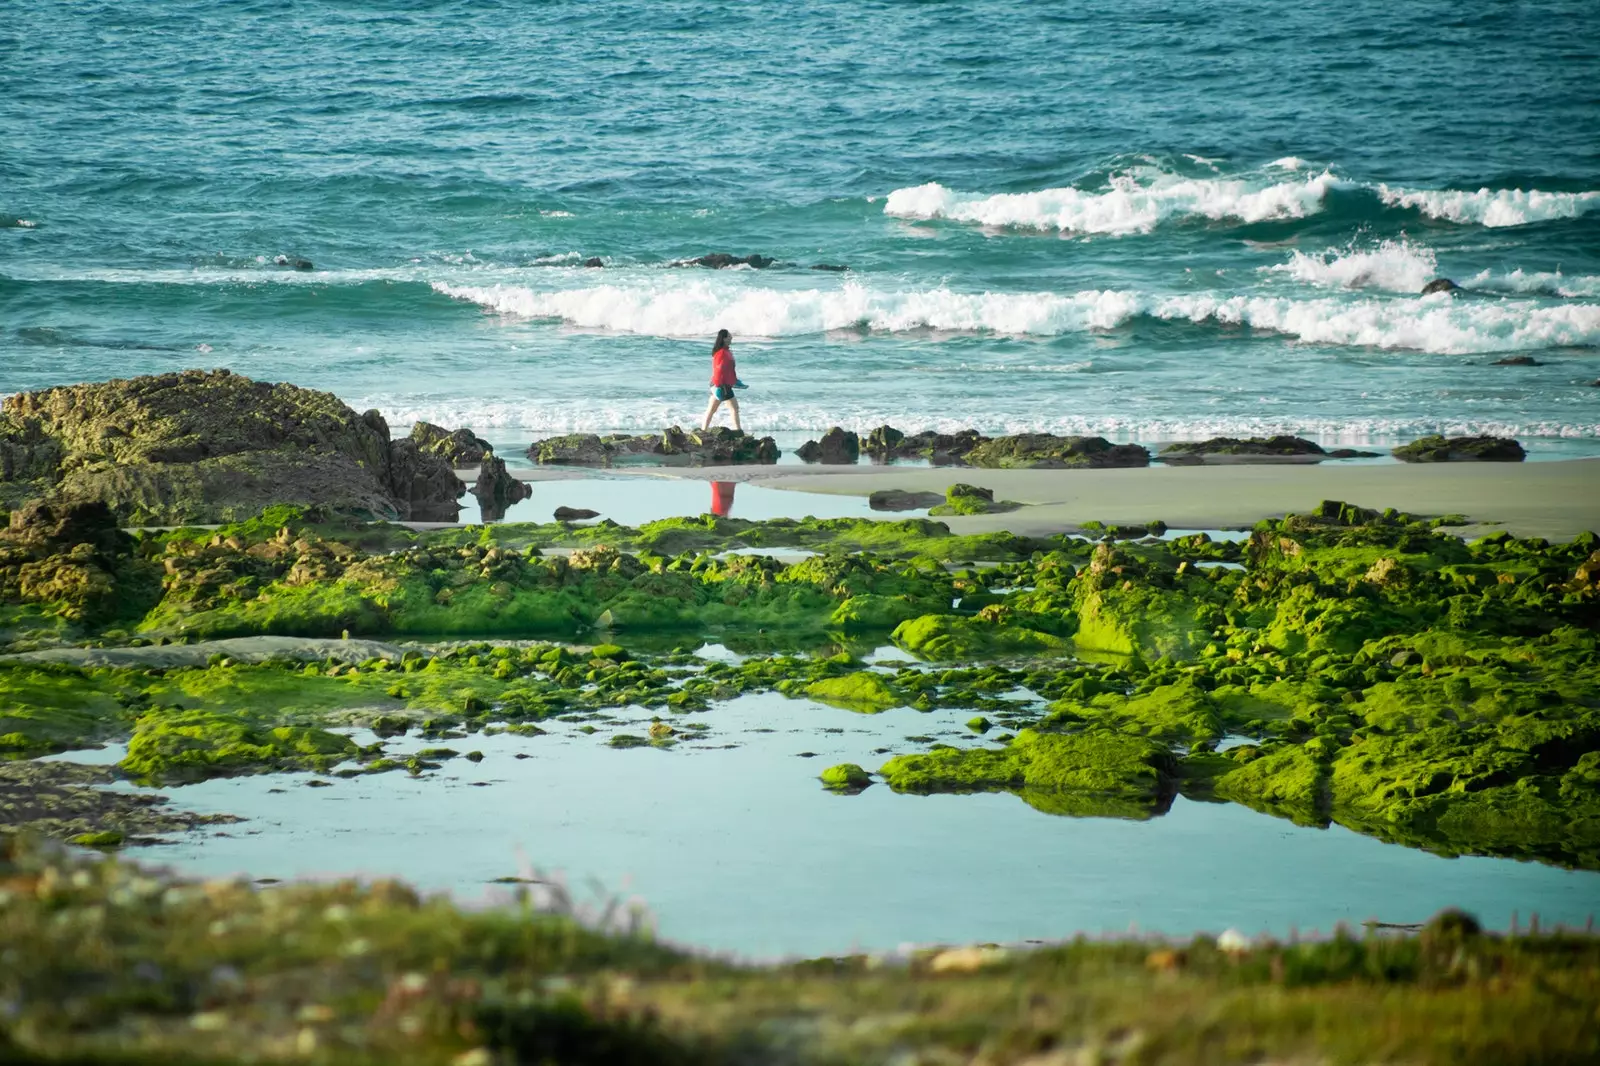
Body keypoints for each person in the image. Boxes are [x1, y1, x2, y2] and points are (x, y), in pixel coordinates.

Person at [701, 328, 742, 431]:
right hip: (721, 385)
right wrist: (719, 386)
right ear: (724, 339)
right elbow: (719, 370)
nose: (731, 337)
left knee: (711, 409)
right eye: (729, 336)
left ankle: (703, 430)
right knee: (734, 409)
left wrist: (735, 381)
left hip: (718, 384)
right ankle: (738, 431)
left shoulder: (725, 351)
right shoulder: (722, 353)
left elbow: (729, 370)